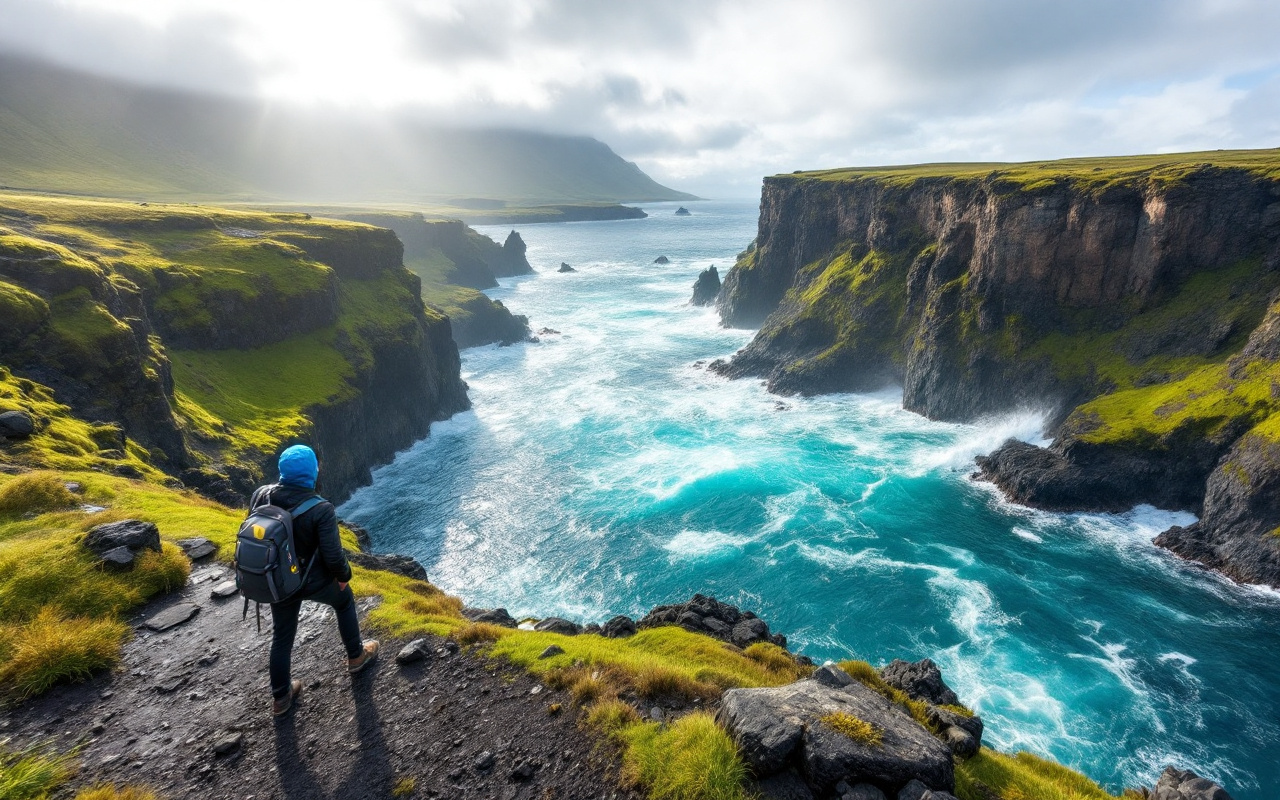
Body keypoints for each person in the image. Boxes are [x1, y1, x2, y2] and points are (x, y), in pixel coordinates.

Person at [250, 444, 379, 717]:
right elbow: (333, 556)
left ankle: (281, 696)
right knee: (343, 601)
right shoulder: (320, 508)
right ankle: (356, 656)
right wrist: (343, 577)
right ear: (311, 471)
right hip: (313, 580)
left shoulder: (261, 495)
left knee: (282, 635)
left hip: (279, 581)